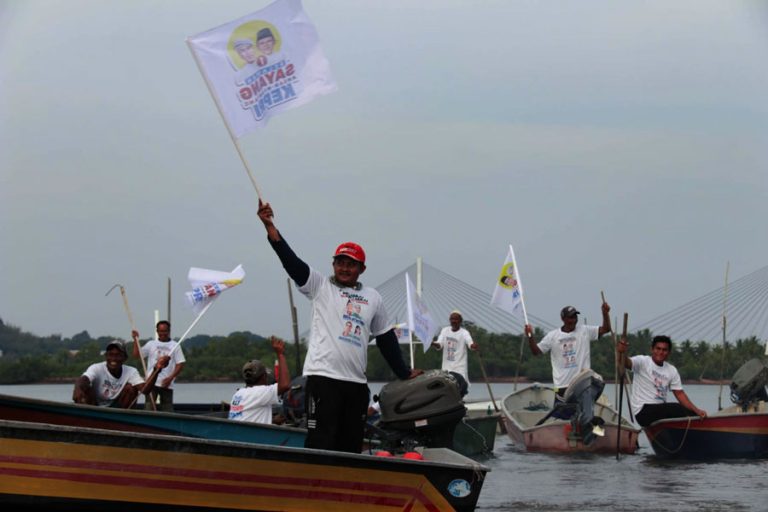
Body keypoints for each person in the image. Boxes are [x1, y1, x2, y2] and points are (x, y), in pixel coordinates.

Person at [257, 199, 422, 453]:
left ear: (361, 268)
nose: (345, 268)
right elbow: (291, 262)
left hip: (356, 384)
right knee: (321, 442)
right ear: (333, 264)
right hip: (323, 379)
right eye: (340, 262)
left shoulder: (373, 297)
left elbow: (386, 338)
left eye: (351, 264)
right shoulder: (320, 286)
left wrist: (403, 371)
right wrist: (270, 227)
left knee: (350, 445)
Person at [525, 302, 612, 400]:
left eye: (575, 317)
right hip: (562, 386)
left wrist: (605, 313)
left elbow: (606, 329)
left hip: (582, 383)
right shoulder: (553, 336)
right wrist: (530, 336)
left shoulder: (584, 331)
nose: (574, 320)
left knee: (584, 412)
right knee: (562, 414)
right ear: (563, 319)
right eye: (571, 317)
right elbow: (536, 351)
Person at [617, 335, 707, 426]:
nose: (661, 352)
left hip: (660, 412)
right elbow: (626, 363)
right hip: (643, 411)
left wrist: (696, 411)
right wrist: (621, 352)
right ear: (652, 349)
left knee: (688, 412)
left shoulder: (671, 370)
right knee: (676, 408)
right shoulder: (643, 361)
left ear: (669, 352)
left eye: (664, 350)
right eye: (658, 349)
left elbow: (680, 394)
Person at [73, 340, 169, 408]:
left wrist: (156, 370)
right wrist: (78, 388)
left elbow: (145, 390)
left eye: (118, 355)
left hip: (118, 408)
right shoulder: (96, 368)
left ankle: (124, 420)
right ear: (106, 356)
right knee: (84, 387)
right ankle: (88, 417)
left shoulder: (131, 371)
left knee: (130, 388)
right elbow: (83, 380)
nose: (113, 359)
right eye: (111, 355)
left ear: (125, 358)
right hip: (95, 405)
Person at [229, 336, 291, 424]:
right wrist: (280, 354)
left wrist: (272, 421)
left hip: (241, 433)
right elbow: (285, 385)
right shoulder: (261, 392)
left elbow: (248, 418)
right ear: (264, 377)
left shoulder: (238, 393)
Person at [132, 320, 185, 412]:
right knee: (149, 408)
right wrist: (135, 340)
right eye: (160, 331)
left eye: (165, 331)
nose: (163, 333)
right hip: (151, 383)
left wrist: (171, 378)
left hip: (166, 384)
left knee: (167, 409)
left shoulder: (175, 345)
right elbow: (137, 355)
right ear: (157, 331)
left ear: (169, 331)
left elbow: (180, 364)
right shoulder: (151, 344)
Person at [430, 310, 477, 396]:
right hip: (447, 367)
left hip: (459, 367)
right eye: (452, 319)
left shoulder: (464, 333)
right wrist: (433, 343)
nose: (453, 321)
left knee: (461, 386)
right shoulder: (445, 331)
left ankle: (458, 402)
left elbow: (470, 343)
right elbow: (440, 344)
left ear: (460, 321)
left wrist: (473, 346)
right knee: (448, 388)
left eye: (456, 319)